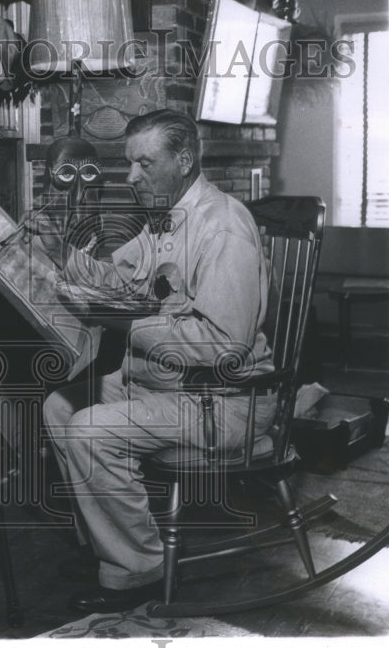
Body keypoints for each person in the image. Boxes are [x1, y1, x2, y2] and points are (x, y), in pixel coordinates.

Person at [39, 109, 276, 613]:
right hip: (166, 388)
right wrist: (61, 251)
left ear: (184, 160)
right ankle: (112, 545)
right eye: (129, 164)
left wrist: (128, 325)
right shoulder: (169, 219)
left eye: (144, 164)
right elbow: (116, 279)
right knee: (59, 408)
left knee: (86, 430)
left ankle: (139, 567)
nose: (131, 177)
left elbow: (224, 345)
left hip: (222, 401)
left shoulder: (223, 227)